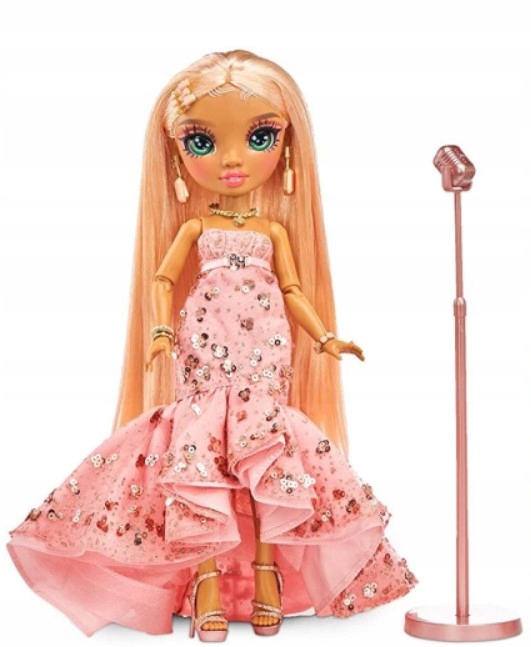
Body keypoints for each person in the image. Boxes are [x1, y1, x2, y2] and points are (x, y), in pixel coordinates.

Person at [6, 50, 417, 641]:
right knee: (203, 467)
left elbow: (293, 290)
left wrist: (326, 337)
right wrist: (159, 331)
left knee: (265, 464)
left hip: (264, 359)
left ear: (287, 149)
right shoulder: (195, 230)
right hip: (205, 355)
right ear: (176, 155)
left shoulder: (273, 232)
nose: (231, 159)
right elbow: (162, 279)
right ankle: (204, 583)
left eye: (259, 138)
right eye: (202, 142)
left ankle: (267, 577)